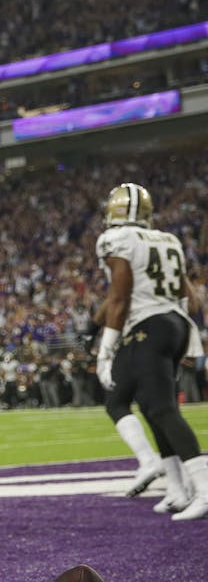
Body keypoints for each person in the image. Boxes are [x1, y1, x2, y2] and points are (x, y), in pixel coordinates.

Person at [93, 182, 208, 520]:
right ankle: (176, 488)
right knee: (150, 404)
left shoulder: (117, 240)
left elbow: (119, 298)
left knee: (151, 406)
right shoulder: (166, 239)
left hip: (149, 326)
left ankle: (199, 485)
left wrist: (105, 350)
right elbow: (190, 297)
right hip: (177, 323)